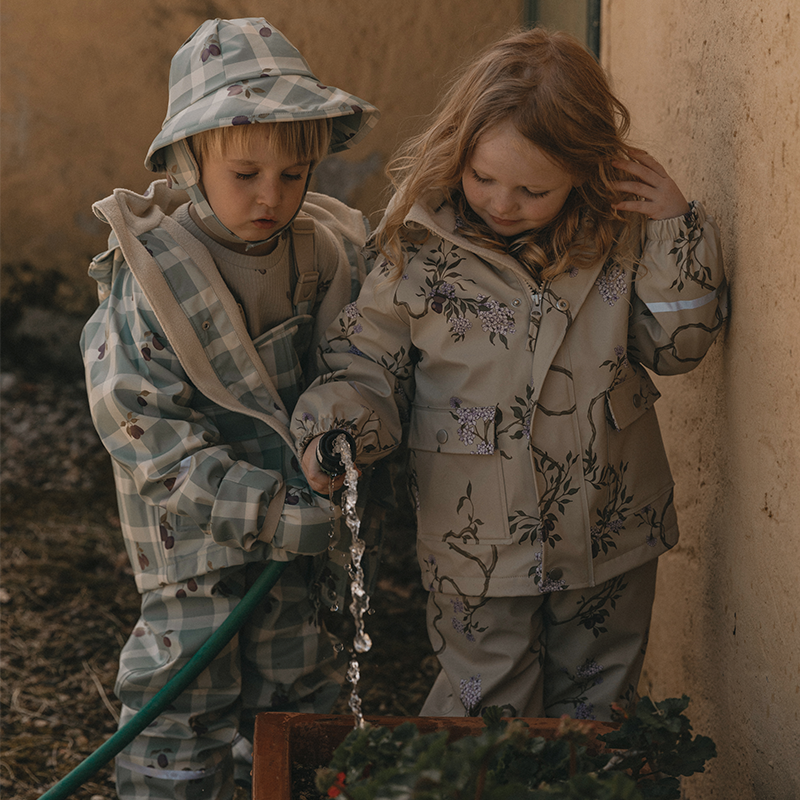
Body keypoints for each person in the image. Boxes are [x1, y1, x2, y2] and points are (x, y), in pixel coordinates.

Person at [292, 27, 727, 722]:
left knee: (597, 710)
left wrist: (674, 228)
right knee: (484, 709)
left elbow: (678, 347)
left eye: (533, 189)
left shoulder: (618, 237)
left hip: (610, 529)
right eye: (483, 178)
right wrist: (337, 428)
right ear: (457, 150)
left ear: (584, 172)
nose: (501, 203)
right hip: (476, 538)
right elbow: (365, 359)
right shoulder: (419, 249)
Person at [80, 17, 380, 799]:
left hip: (297, 528)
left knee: (294, 684)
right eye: (245, 173)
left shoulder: (324, 252)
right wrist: (266, 506)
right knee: (183, 695)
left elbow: (355, 358)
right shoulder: (150, 274)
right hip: (192, 541)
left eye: (293, 174)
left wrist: (336, 437)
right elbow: (144, 429)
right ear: (189, 159)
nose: (271, 197)